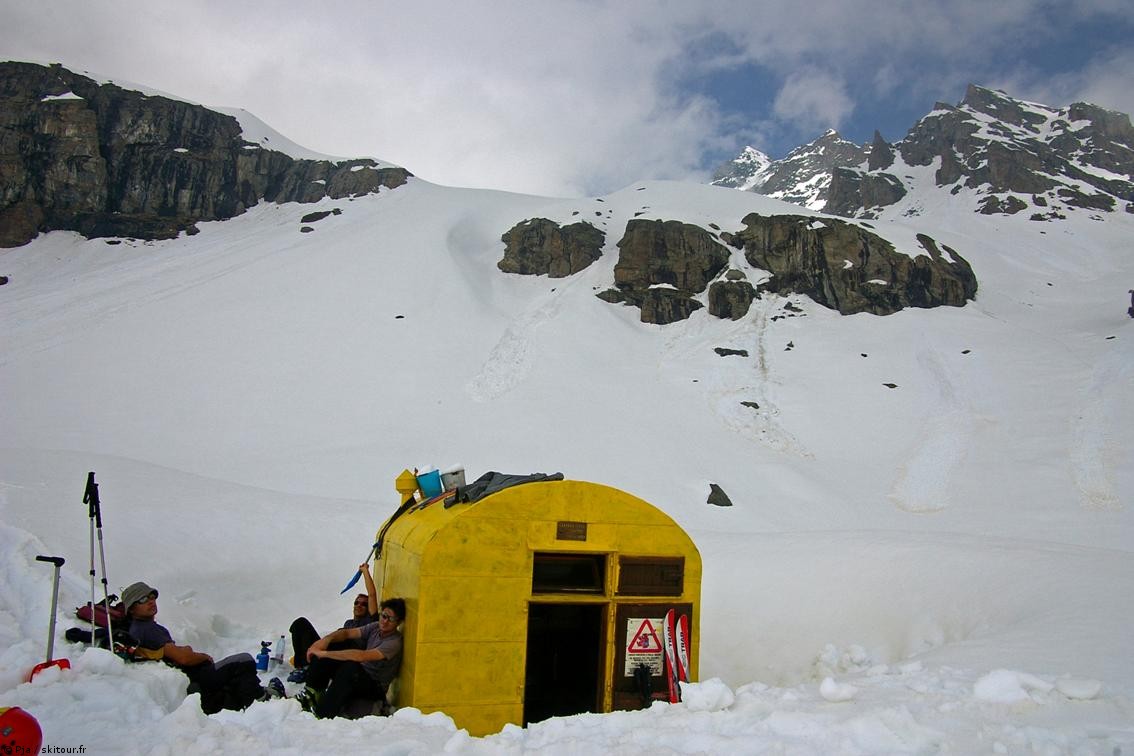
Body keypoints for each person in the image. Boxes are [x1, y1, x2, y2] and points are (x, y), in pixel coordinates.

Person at [121, 581, 278, 714]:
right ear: (132, 608)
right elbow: (183, 658)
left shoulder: (142, 627)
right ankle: (262, 700)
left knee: (236, 675)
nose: (150, 601)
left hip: (192, 675)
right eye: (142, 599)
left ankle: (256, 698)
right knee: (244, 661)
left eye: (152, 596)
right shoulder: (146, 629)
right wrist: (201, 656)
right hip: (196, 676)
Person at [296, 597, 405, 719]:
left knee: (350, 667)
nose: (385, 621)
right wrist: (325, 641)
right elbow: (347, 633)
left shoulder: (394, 642)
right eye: (384, 616)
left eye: (391, 619)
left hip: (375, 686)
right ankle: (312, 693)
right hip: (361, 674)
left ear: (398, 622)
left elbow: (361, 656)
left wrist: (325, 654)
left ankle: (323, 713)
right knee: (335, 644)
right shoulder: (375, 627)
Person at [287, 562, 380, 683]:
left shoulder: (370, 622)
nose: (359, 605)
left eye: (364, 604)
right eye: (356, 603)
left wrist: (365, 572)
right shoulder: (348, 623)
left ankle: (309, 665)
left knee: (340, 642)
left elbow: (372, 595)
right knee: (300, 623)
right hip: (330, 651)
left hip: (345, 657)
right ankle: (303, 665)